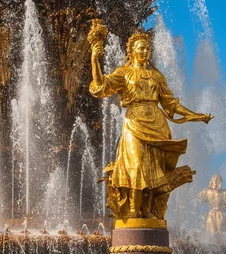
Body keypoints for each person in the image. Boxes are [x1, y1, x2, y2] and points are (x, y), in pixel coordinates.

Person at [90, 30, 213, 219]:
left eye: (148, 48)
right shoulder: (124, 73)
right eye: (141, 48)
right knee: (136, 165)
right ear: (131, 51)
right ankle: (132, 208)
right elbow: (101, 87)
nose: (145, 51)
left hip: (157, 123)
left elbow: (171, 103)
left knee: (153, 167)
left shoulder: (157, 76)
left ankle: (147, 209)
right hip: (134, 121)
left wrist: (195, 115)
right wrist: (94, 60)